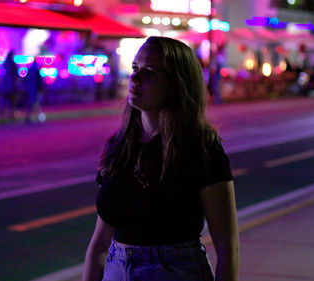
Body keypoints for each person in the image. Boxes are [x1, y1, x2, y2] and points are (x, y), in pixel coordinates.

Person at [81, 36, 239, 281]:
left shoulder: (201, 148)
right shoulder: (119, 145)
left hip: (175, 272)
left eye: (150, 72)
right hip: (116, 270)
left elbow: (227, 249)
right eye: (135, 69)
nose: (135, 78)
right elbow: (101, 241)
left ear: (177, 84)